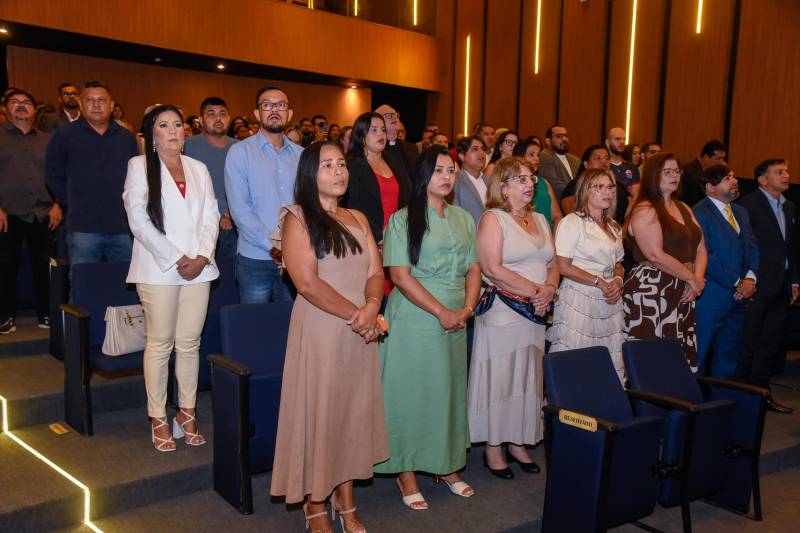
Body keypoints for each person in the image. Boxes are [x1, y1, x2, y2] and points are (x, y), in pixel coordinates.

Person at [269, 141, 388, 533]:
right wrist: (360, 315)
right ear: (310, 173)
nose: (339, 171)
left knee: (352, 412)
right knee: (321, 413)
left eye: (341, 164)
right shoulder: (298, 218)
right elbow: (306, 283)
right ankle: (316, 500)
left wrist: (372, 305)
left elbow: (375, 270)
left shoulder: (358, 217)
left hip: (360, 327)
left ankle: (345, 496)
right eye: (327, 165)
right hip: (322, 325)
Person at [376, 145, 481, 509]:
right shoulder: (403, 219)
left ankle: (445, 464)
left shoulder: (463, 218)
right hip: (416, 316)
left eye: (451, 170)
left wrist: (467, 309)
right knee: (411, 392)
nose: (446, 177)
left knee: (447, 391)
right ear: (424, 176)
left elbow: (474, 268)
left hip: (457, 315)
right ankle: (405, 471)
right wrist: (441, 312)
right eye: (438, 170)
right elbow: (399, 276)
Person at [122, 104, 220, 452]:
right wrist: (178, 258)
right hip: (159, 267)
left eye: (177, 124)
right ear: (151, 134)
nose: (173, 131)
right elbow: (138, 220)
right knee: (160, 343)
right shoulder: (139, 166)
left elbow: (211, 214)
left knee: (190, 343)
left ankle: (187, 412)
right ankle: (158, 416)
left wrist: (202, 256)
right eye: (163, 125)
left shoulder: (198, 167)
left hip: (199, 268)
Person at [469, 156, 558, 479]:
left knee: (527, 377)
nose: (529, 183)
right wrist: (536, 291)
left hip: (535, 311)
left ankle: (519, 440)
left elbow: (553, 263)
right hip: (505, 310)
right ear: (503, 187)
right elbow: (492, 268)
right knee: (502, 377)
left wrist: (549, 288)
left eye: (530, 178)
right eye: (520, 179)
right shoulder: (493, 219)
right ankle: (494, 446)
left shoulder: (540, 219)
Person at [623, 153, 707, 370]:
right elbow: (655, 255)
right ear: (653, 175)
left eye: (677, 171)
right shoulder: (645, 209)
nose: (675, 176)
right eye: (668, 172)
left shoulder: (684, 207)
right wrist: (692, 278)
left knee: (677, 356)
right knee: (652, 357)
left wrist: (697, 279)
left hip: (683, 286)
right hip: (653, 287)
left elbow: (701, 248)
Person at [46, 81, 139, 268]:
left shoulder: (126, 138)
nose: (96, 105)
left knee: (126, 280)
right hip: (83, 226)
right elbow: (52, 173)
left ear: (111, 105)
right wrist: (71, 200)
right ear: (81, 104)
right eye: (90, 100)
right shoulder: (65, 135)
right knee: (83, 280)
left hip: (122, 226)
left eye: (101, 100)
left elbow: (137, 177)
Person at [225, 86, 303, 303]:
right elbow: (240, 209)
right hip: (255, 259)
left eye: (281, 105)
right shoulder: (240, 152)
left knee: (291, 321)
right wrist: (275, 246)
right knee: (254, 321)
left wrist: (292, 247)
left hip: (296, 257)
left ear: (289, 113)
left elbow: (307, 205)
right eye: (267, 105)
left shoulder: (302, 156)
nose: (274, 110)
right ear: (257, 114)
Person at [548, 169, 626, 381]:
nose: (607, 192)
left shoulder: (613, 226)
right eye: (599, 187)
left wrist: (618, 280)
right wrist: (599, 282)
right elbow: (563, 266)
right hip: (580, 297)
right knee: (577, 358)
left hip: (609, 298)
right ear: (584, 191)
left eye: (610, 187)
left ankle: (604, 400)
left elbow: (618, 264)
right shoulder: (572, 222)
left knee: (607, 358)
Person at [736, 159, 798, 413]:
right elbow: (743, 246)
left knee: (770, 344)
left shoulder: (790, 206)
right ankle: (739, 397)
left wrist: (795, 280)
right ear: (762, 180)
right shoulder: (747, 205)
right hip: (757, 284)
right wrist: (746, 279)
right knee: (748, 342)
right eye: (779, 172)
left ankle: (762, 396)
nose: (786, 175)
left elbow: (792, 247)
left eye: (787, 171)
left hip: (782, 285)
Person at [0, 89, 61, 334]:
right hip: (7, 214)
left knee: (45, 266)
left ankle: (46, 313)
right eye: (15, 102)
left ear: (35, 110)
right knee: (5, 266)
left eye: (27, 102)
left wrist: (58, 204)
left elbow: (59, 175)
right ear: (5, 108)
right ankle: (5, 315)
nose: (21, 105)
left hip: (43, 213)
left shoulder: (48, 140)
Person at [693, 165, 758, 378]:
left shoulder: (741, 211)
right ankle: (691, 398)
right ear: (710, 187)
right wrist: (737, 281)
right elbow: (706, 254)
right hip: (711, 298)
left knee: (728, 358)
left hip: (739, 299)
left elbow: (752, 246)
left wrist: (750, 279)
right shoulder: (699, 212)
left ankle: (721, 397)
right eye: (727, 178)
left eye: (734, 176)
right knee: (699, 356)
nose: (735, 180)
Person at [343, 112, 410, 245]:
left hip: (399, 237)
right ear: (361, 135)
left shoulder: (394, 162)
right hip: (369, 240)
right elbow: (354, 208)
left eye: (383, 130)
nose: (381, 134)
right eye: (374, 130)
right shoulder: (352, 166)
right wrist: (379, 237)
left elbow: (406, 199)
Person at [184, 97, 239, 260]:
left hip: (237, 225)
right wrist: (222, 210)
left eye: (222, 113)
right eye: (211, 113)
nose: (218, 118)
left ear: (228, 118)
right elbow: (188, 186)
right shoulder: (187, 146)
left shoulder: (240, 147)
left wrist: (232, 213)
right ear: (201, 120)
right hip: (200, 224)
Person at [561, 145, 630, 225]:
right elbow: (571, 212)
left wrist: (620, 229)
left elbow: (631, 211)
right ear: (586, 164)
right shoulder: (576, 184)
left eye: (607, 158)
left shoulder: (619, 185)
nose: (603, 162)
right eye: (598, 158)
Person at [513, 138, 562, 229]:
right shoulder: (513, 184)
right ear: (520, 157)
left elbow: (557, 216)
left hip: (549, 234)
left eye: (538, 155)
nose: (537, 159)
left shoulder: (544, 183)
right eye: (531, 155)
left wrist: (553, 235)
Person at [375, 104, 418, 181]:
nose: (395, 118)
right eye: (389, 115)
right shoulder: (375, 149)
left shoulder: (411, 147)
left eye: (396, 115)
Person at [453, 135, 489, 225]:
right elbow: (454, 217)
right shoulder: (455, 181)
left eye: (483, 149)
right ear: (462, 156)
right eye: (475, 149)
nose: (481, 152)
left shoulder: (490, 181)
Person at [538, 124, 580, 199]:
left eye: (566, 136)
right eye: (559, 136)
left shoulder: (576, 160)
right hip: (557, 202)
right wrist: (578, 195)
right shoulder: (544, 156)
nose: (564, 139)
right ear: (548, 141)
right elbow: (553, 184)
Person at [680, 140, 727, 207]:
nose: (721, 162)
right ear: (706, 157)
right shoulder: (690, 173)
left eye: (723, 158)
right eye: (718, 158)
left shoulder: (711, 170)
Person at [605, 127, 640, 196]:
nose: (622, 142)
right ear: (607, 142)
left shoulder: (632, 167)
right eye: (617, 139)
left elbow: (635, 195)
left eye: (624, 139)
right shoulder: (603, 166)